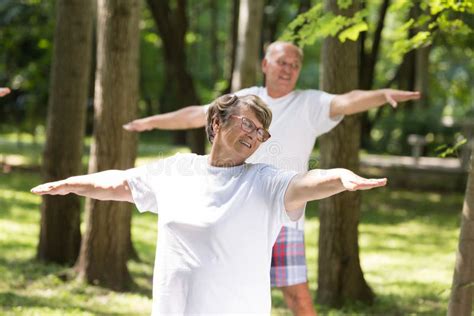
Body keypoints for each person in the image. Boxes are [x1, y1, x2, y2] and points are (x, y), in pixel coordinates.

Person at [123, 41, 418, 315]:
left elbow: (347, 101)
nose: (288, 69)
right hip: (233, 212)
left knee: (296, 295)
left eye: (294, 65)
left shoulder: (310, 103)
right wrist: (151, 121)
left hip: (282, 210)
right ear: (266, 65)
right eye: (282, 62)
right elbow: (195, 115)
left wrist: (382, 95)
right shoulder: (243, 102)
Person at [32, 94, 386, 315]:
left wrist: (339, 177)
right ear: (217, 123)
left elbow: (304, 183)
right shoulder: (178, 169)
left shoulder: (264, 181)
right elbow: (120, 182)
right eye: (248, 123)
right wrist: (71, 184)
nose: (254, 135)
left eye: (261, 132)